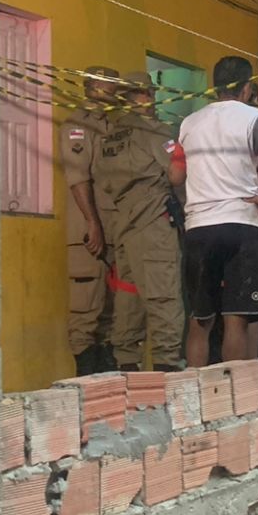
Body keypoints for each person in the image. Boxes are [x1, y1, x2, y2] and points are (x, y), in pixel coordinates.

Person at [171, 56, 258, 366]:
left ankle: (195, 398)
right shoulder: (253, 117)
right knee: (235, 318)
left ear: (215, 87)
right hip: (240, 223)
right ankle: (234, 397)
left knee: (200, 320)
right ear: (247, 88)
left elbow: (175, 176)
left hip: (198, 226)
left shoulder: (189, 122)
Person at [94, 73, 185, 371]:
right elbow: (176, 174)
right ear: (145, 95)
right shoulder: (156, 132)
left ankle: (126, 364)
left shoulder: (110, 138)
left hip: (122, 225)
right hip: (153, 223)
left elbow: (103, 182)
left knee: (128, 296)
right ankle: (166, 365)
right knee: (164, 296)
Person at [60, 66, 124, 376]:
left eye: (113, 85)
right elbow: (78, 177)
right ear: (89, 86)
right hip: (90, 230)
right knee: (87, 310)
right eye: (104, 84)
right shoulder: (78, 124)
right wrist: (92, 222)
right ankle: (85, 382)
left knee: (113, 312)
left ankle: (106, 384)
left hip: (117, 230)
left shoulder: (117, 124)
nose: (110, 90)